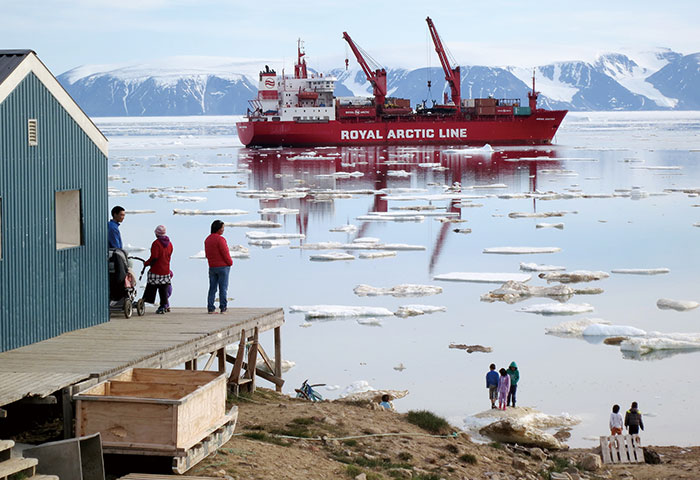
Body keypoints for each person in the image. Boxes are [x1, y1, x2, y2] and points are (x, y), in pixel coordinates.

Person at [205, 220, 233, 314]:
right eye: (222, 228)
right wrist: (230, 262)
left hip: (212, 267)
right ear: (218, 229)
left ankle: (210, 307)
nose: (223, 230)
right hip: (223, 267)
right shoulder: (220, 240)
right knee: (223, 288)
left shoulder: (207, 239)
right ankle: (223, 307)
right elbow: (225, 253)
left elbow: (207, 254)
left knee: (212, 288)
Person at [144, 225, 173, 314]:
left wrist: (147, 263)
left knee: (151, 284)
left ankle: (147, 299)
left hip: (156, 269)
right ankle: (164, 305)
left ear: (156, 234)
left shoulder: (156, 243)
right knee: (163, 288)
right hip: (165, 270)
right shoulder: (170, 244)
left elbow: (154, 257)